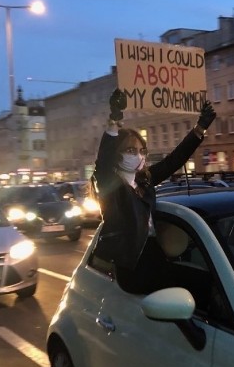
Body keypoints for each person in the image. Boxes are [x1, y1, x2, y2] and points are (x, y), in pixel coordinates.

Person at [93, 88, 216, 293]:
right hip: (131, 263)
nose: (138, 156)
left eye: (142, 151)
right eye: (130, 150)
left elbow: (174, 160)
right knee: (191, 287)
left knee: (206, 282)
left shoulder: (145, 180)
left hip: (154, 255)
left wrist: (199, 128)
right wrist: (114, 118)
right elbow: (103, 159)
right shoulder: (109, 183)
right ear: (117, 155)